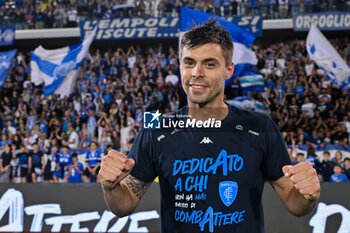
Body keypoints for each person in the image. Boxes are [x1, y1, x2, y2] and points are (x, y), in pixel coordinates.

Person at [99, 19, 321, 232]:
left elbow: (296, 205)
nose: (197, 73)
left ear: (229, 70)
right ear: (180, 67)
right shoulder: (156, 128)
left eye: (209, 64)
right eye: (189, 62)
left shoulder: (260, 126)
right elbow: (124, 205)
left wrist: (308, 196)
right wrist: (109, 187)